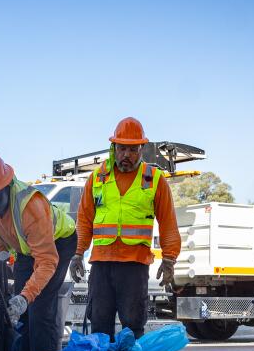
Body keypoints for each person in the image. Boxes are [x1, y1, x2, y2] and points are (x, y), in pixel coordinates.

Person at [0, 150, 77, 351]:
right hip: (27, 248)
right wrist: (3, 256)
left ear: (5, 187)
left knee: (39, 310)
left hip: (58, 243)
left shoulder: (30, 207)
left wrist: (26, 297)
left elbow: (47, 261)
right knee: (19, 315)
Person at [70, 117, 180, 339]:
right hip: (102, 265)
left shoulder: (153, 179)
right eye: (122, 149)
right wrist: (77, 253)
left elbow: (168, 222)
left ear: (141, 149)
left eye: (133, 149)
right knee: (100, 325)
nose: (126, 155)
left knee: (132, 326)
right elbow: (84, 220)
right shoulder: (97, 178)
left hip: (134, 265)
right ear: (114, 148)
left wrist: (169, 259)